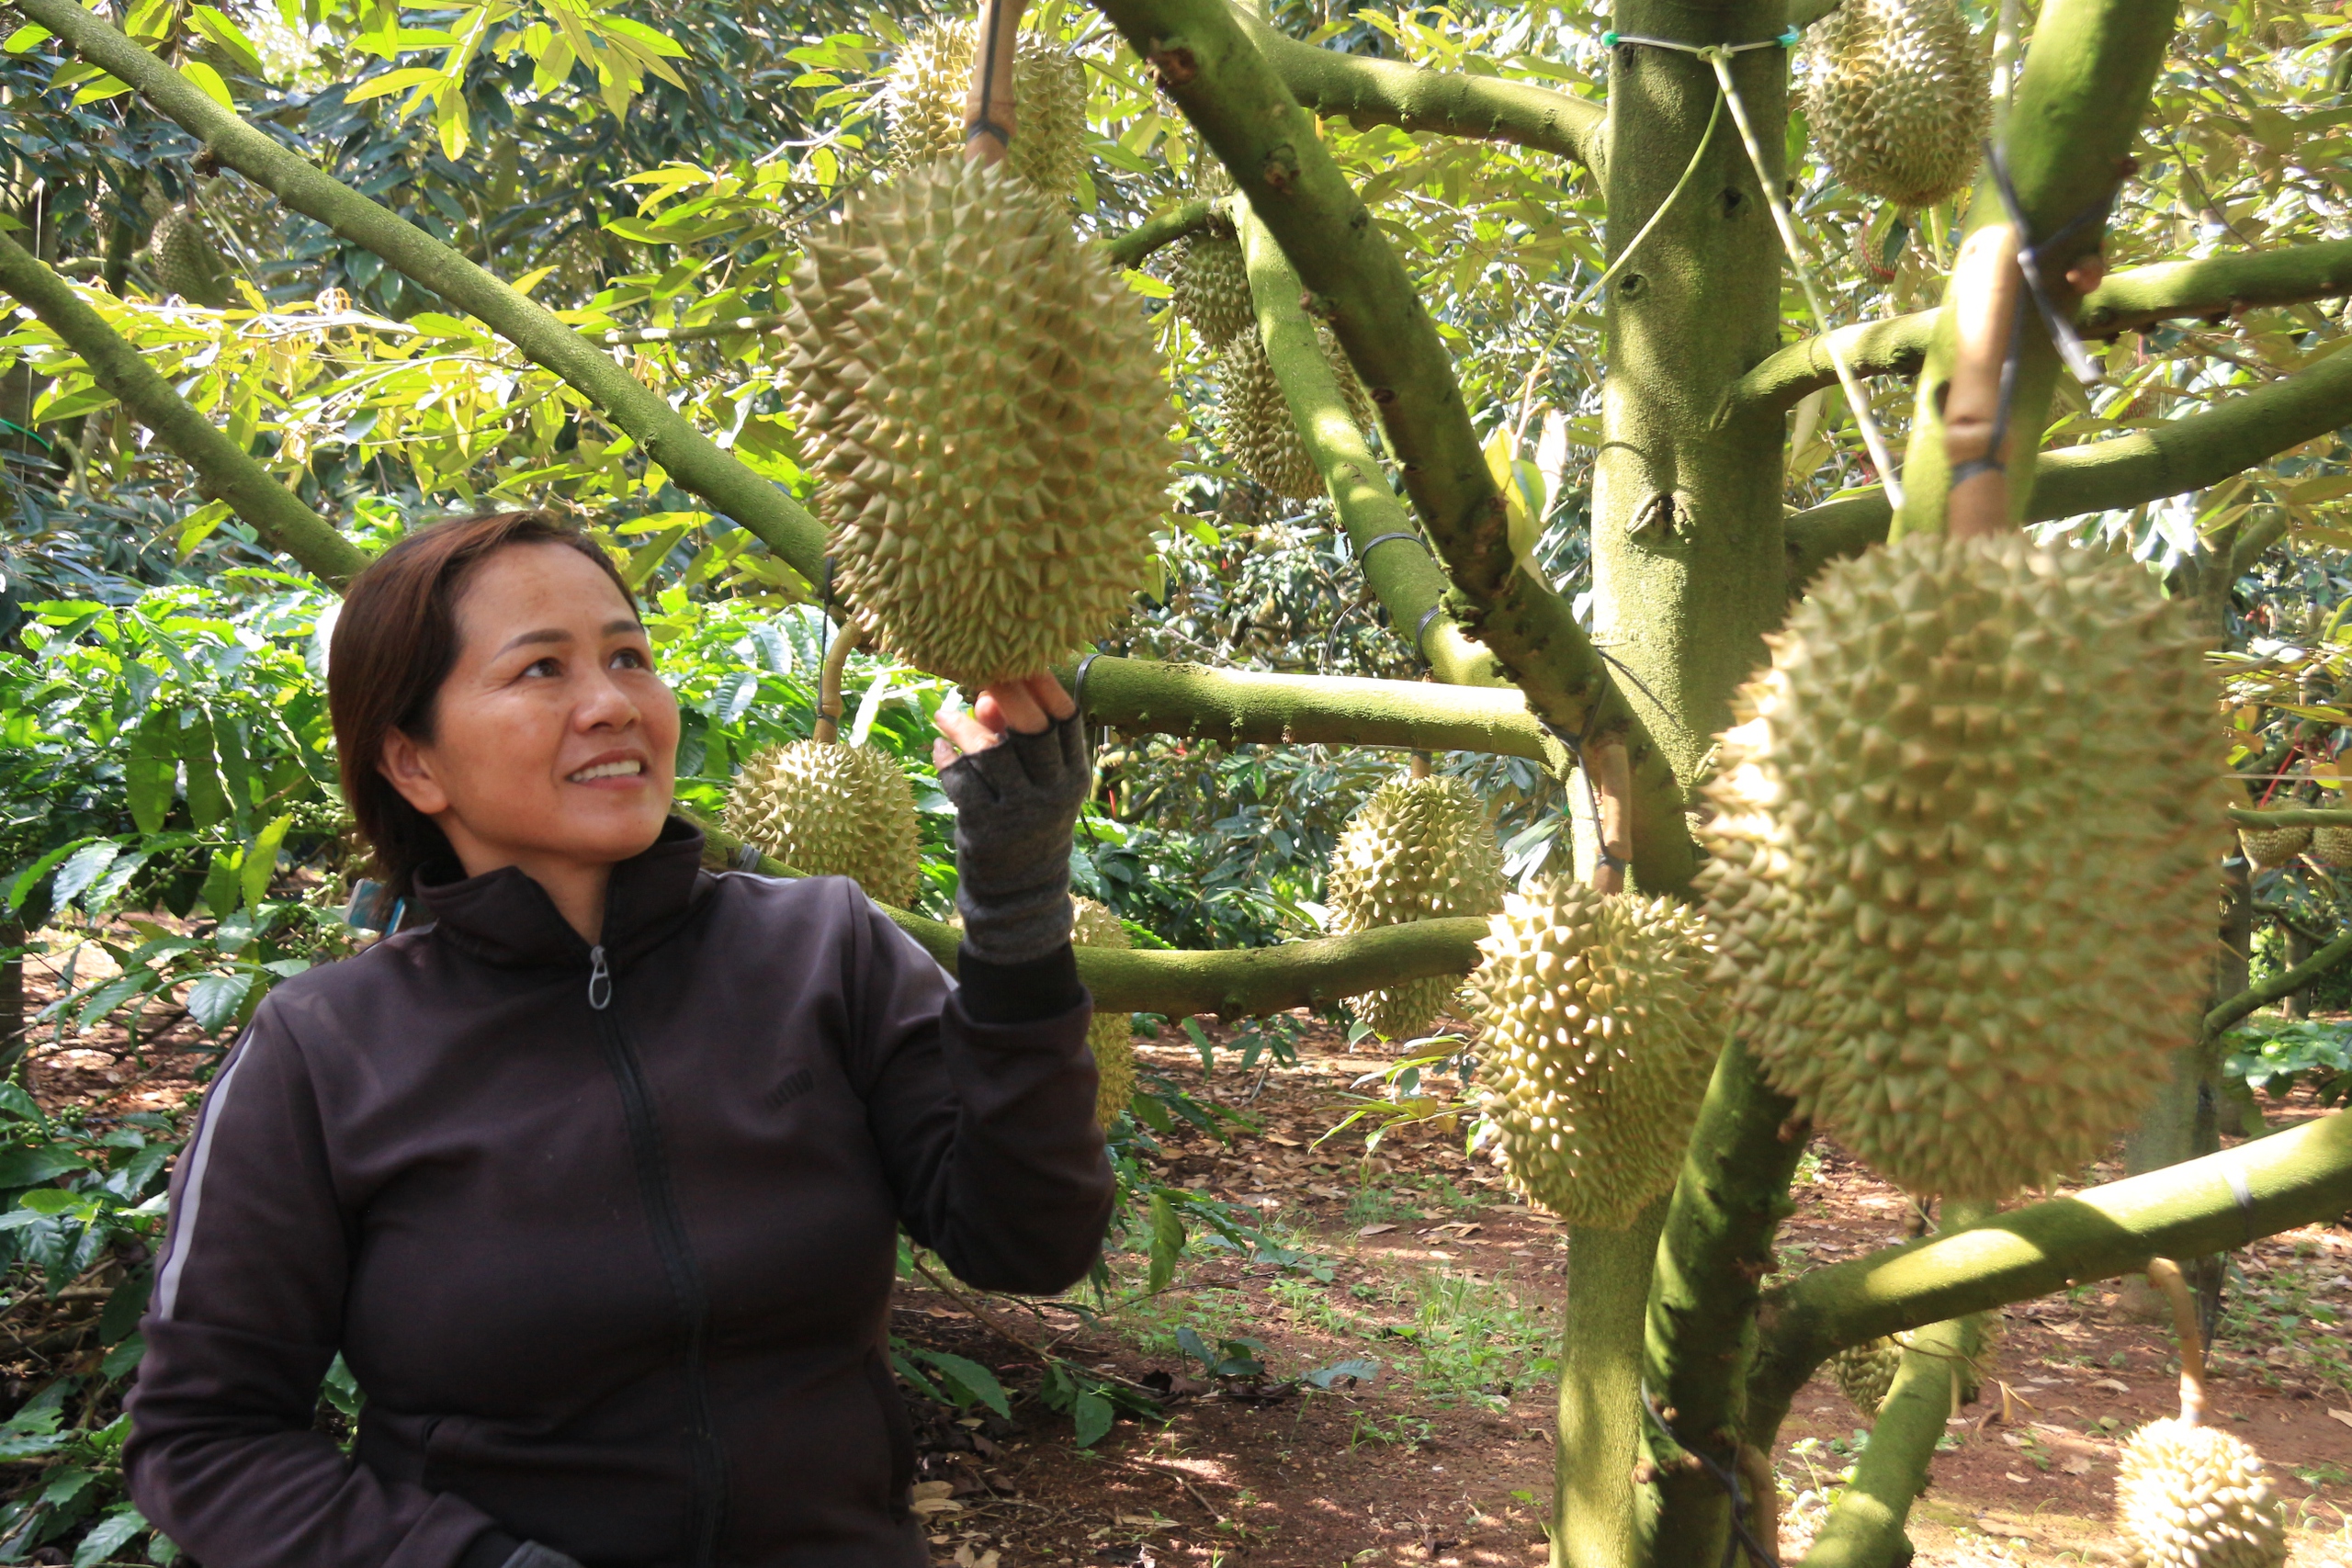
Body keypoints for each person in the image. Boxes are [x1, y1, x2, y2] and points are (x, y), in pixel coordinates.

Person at [121, 510, 1114, 1568]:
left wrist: (1014, 910)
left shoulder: (824, 952)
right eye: (541, 670)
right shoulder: (324, 1050)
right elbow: (203, 1438)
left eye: (628, 656)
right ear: (414, 764)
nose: (611, 705)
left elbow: (1030, 1242)